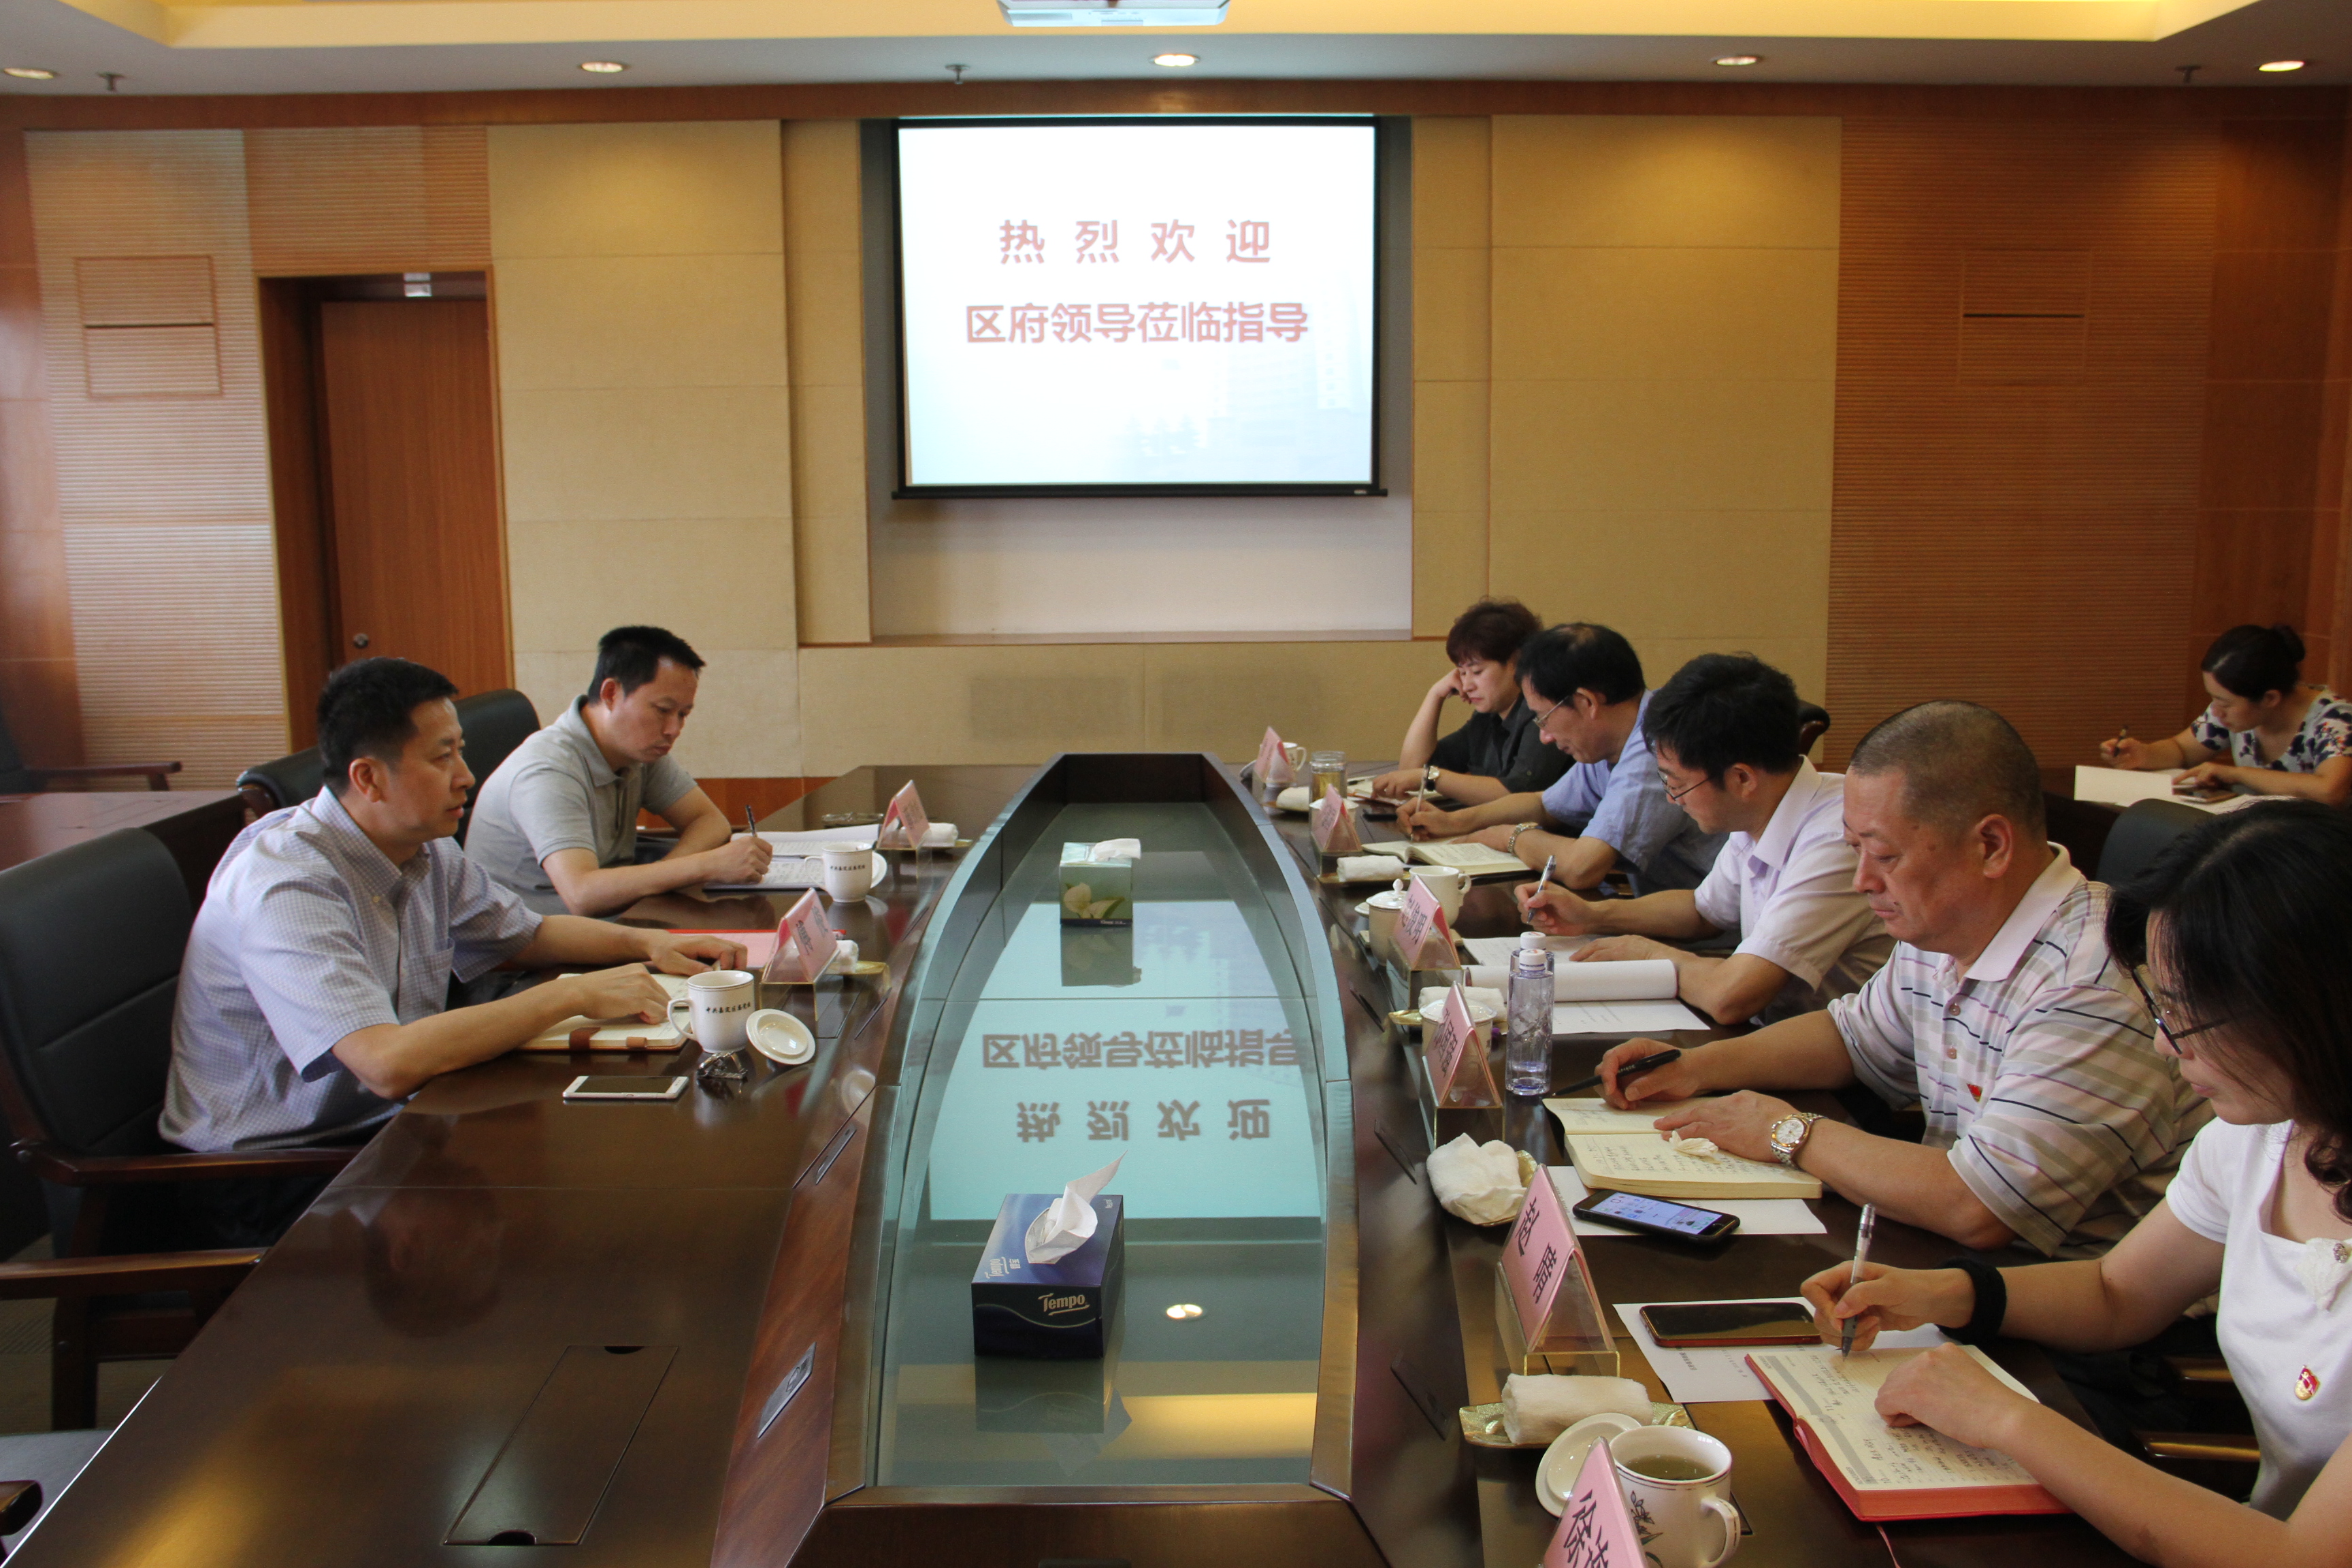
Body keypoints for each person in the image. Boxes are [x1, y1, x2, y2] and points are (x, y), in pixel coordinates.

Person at [1802, 802, 2352, 1561]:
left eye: (2186, 1014)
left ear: (2312, 1008)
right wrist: (1941, 1294)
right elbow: (2117, 1293)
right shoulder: (2265, 1135)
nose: (2164, 1045)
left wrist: (2008, 1420)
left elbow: (2300, 1558)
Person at [1595, 700, 2206, 1256]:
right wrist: (1695, 1068)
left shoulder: (2087, 983)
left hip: (2051, 1302)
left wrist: (1787, 1132)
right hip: (1948, 1261)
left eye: (1884, 855)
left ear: (1991, 846)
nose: (1862, 881)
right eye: (1854, 849)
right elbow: (1850, 1038)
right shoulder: (1945, 929)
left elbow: (1981, 1206)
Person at [163, 658, 745, 1243]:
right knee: (569, 1217)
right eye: (442, 758)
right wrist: (571, 997)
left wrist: (649, 944)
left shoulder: (420, 844)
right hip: (270, 1173)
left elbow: (527, 934)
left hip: (386, 1127)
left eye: (460, 752)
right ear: (369, 779)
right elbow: (386, 1064)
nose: (466, 776)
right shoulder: (287, 884)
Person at [1515, 653, 1891, 1025]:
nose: (1671, 799)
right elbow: (1702, 911)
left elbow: (1731, 997)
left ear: (1741, 778)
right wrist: (1593, 915)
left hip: (1830, 1054)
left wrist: (1649, 955)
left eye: (1676, 784)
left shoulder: (1837, 839)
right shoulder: (1761, 809)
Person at [464, 625, 772, 917]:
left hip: (614, 916)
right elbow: (582, 894)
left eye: (683, 714)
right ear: (611, 693)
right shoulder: (548, 771)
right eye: (663, 710)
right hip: (539, 939)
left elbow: (708, 821)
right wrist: (702, 866)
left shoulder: (638, 750)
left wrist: (669, 875)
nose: (674, 729)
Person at [1396, 623, 1722, 894]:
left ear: (1586, 703)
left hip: (1711, 936)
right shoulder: (1611, 743)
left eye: (1543, 718)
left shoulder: (1657, 748)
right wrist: (1454, 822)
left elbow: (1582, 868)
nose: (1545, 737)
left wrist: (1509, 836)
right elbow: (1545, 804)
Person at [2099, 623, 2352, 806]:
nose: (2216, 711)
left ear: (2270, 699)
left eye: (2224, 703)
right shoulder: (2230, 712)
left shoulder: (2334, 720)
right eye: (2214, 698)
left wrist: (2237, 774)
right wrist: (2144, 754)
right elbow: (2182, 750)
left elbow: (2330, 791)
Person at [1368, 598, 1569, 806]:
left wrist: (1431, 778)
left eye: (1477, 671)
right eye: (1462, 672)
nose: (1467, 685)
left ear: (1517, 662)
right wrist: (1435, 695)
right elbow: (1413, 769)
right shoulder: (1487, 718)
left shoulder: (1543, 714)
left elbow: (1518, 793)